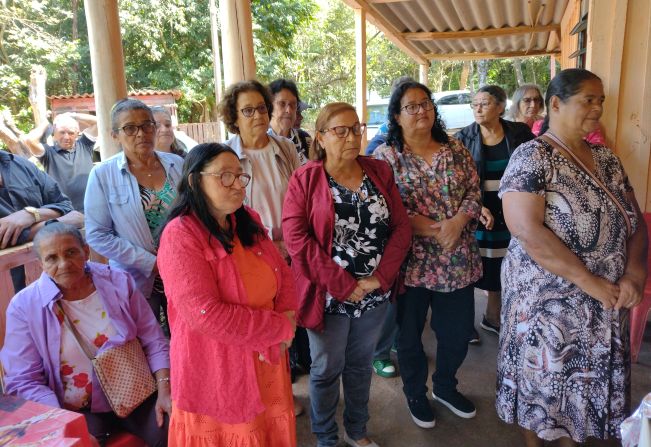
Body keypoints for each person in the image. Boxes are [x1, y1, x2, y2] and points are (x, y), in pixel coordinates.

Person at [496, 68, 647, 446]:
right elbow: (528, 232)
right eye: (588, 100)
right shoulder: (532, 157)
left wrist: (633, 272)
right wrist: (590, 282)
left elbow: (635, 223)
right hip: (547, 305)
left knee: (582, 389)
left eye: (601, 101)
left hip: (603, 302)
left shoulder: (607, 160)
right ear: (557, 104)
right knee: (541, 386)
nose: (597, 108)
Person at [283, 102, 412, 447]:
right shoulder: (306, 179)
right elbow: (297, 240)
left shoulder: (379, 171)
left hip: (374, 293)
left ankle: (357, 430)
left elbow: (401, 228)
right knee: (325, 370)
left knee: (359, 366)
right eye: (340, 130)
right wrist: (343, 285)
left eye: (356, 128)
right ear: (321, 137)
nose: (352, 136)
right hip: (328, 295)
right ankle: (326, 436)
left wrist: (380, 278)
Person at [156, 143, 297, 446]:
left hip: (265, 357)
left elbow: (281, 271)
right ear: (195, 181)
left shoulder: (247, 219)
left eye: (240, 176)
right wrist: (279, 327)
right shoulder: (180, 235)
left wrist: (287, 313)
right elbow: (204, 314)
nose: (237, 184)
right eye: (225, 176)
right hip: (217, 365)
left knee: (267, 430)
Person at [1, 223, 171, 446]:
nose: (64, 264)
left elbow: (153, 340)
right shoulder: (24, 307)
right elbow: (24, 379)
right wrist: (64, 423)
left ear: (86, 251)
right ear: (41, 263)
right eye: (52, 258)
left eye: (71, 252)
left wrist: (165, 390)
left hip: (137, 394)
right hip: (75, 410)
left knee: (178, 429)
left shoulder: (118, 281)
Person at [374, 80, 482, 428]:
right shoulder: (385, 157)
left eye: (425, 104)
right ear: (396, 115)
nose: (421, 111)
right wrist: (435, 228)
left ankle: (446, 387)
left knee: (457, 331)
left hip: (457, 261)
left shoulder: (455, 149)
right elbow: (383, 207)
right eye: (411, 106)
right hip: (411, 264)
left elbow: (474, 192)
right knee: (408, 337)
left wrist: (459, 221)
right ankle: (415, 393)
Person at [84, 99, 183, 331]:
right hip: (135, 279)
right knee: (145, 343)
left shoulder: (177, 164)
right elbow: (98, 235)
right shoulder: (103, 175)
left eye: (147, 125)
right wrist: (152, 263)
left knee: (185, 340)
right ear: (115, 135)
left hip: (181, 271)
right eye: (130, 128)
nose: (141, 134)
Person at [455, 85, 535, 343]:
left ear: (500, 107)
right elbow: (457, 182)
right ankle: (463, 324)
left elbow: (533, 166)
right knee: (472, 265)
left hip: (512, 210)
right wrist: (475, 206)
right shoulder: (464, 138)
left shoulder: (519, 133)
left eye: (485, 103)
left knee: (503, 263)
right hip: (478, 210)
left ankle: (492, 316)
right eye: (474, 104)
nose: (478, 108)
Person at [218, 80, 300, 262]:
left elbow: (301, 198)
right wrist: (269, 243)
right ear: (234, 118)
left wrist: (291, 242)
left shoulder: (286, 148)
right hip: (249, 252)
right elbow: (223, 214)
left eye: (262, 108)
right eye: (248, 111)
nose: (258, 115)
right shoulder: (224, 156)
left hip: (291, 249)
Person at [0, 149, 83, 291]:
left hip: (53, 281)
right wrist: (51, 223)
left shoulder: (20, 164)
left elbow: (66, 206)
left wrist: (30, 215)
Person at [21, 113, 98, 212]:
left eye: (71, 133)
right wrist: (45, 123)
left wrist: (73, 115)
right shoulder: (48, 154)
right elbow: (29, 140)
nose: (66, 137)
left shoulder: (84, 145)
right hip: (63, 212)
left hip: (91, 208)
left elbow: (97, 122)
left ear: (77, 133)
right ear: (55, 134)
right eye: (62, 132)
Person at [268, 78, 312, 165]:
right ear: (269, 106)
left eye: (293, 104)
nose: (289, 110)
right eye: (282, 104)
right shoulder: (263, 140)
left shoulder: (304, 138)